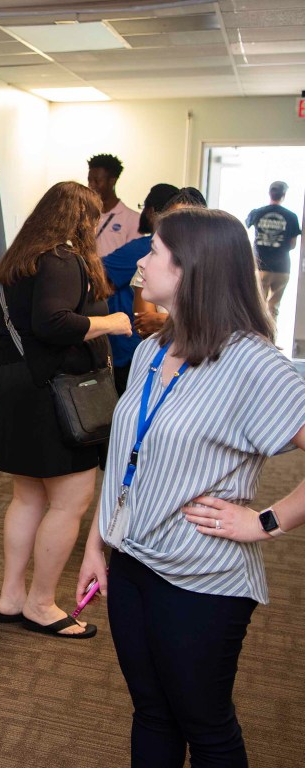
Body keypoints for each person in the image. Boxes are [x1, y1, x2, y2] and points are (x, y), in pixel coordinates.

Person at [77, 207, 305, 767]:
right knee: (151, 713)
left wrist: (264, 521)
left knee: (204, 725)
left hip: (203, 577)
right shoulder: (159, 347)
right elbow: (129, 455)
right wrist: (96, 544)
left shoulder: (254, 363)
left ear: (190, 268)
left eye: (153, 251)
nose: (142, 259)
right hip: (132, 561)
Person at [0, 181, 132, 639]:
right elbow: (54, 322)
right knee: (70, 502)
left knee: (28, 496)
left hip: (15, 387)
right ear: (81, 219)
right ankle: (41, 604)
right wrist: (112, 322)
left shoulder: (19, 260)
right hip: (50, 396)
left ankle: (12, 597)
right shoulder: (61, 259)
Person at [101, 183, 179, 393]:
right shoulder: (143, 254)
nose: (145, 262)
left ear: (153, 212)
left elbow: (97, 279)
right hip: (141, 344)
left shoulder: (140, 248)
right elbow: (144, 317)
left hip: (131, 349)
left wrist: (169, 322)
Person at [131, 186, 207, 339]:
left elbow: (218, 326)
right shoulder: (148, 264)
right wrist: (187, 324)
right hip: (161, 354)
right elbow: (144, 326)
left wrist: (163, 321)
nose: (177, 227)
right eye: (171, 218)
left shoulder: (214, 267)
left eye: (186, 220)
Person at [246, 180, 301, 319]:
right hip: (282, 268)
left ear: (269, 193)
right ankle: (271, 338)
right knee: (273, 308)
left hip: (260, 266)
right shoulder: (291, 217)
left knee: (257, 307)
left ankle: (257, 337)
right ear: (284, 195)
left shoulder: (258, 213)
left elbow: (244, 228)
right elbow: (293, 244)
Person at [87, 153, 141, 257]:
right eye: (89, 180)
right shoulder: (86, 214)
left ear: (112, 181)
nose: (91, 186)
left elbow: (132, 258)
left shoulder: (132, 219)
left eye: (97, 181)